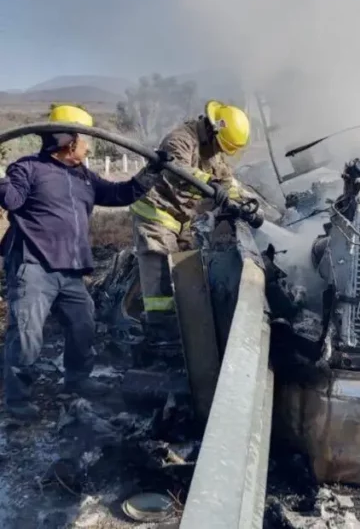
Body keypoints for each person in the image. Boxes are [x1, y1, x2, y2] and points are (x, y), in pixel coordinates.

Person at [1, 104, 166, 419]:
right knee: (26, 335)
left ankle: (77, 380)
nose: (90, 145)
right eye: (86, 138)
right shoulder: (28, 168)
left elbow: (122, 194)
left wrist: (153, 171)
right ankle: (18, 402)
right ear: (67, 139)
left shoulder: (83, 177)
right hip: (33, 265)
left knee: (83, 326)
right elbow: (11, 200)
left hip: (71, 270)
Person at [129, 100, 253, 355]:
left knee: (187, 270)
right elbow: (178, 171)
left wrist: (246, 201)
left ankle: (183, 328)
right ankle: (160, 338)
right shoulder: (180, 140)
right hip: (156, 213)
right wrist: (212, 184)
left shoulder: (212, 149)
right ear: (213, 129)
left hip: (182, 218)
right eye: (220, 145)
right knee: (162, 272)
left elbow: (227, 180)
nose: (220, 151)